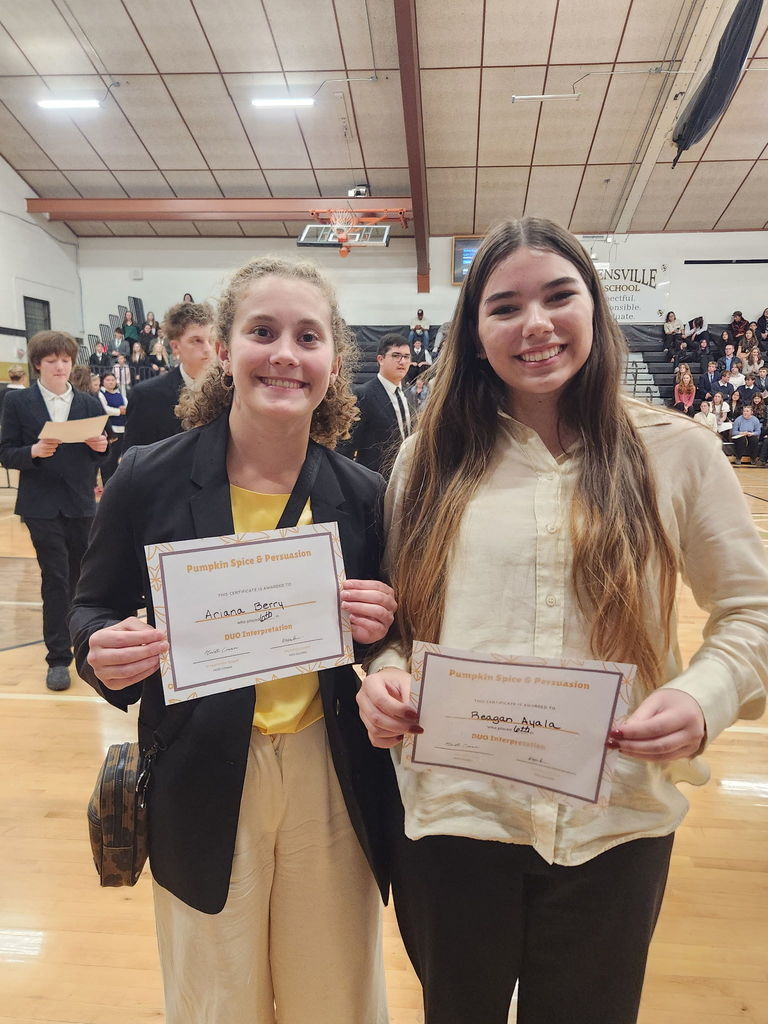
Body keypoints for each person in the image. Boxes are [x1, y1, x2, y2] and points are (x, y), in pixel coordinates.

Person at [355, 217, 768, 1024]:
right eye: (504, 307)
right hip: (455, 817)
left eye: (558, 296)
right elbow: (400, 624)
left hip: (613, 821)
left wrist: (702, 699)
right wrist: (387, 677)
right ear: (475, 336)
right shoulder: (425, 460)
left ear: (594, 309)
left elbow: (752, 612)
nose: (535, 324)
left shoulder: (678, 451)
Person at [70, 257, 399, 1024]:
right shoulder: (146, 478)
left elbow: (396, 646)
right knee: (217, 997)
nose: (285, 353)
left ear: (330, 361)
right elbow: (90, 610)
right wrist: (104, 649)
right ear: (222, 351)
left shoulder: (363, 496)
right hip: (201, 770)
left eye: (307, 336)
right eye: (262, 332)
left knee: (336, 996)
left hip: (332, 774)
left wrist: (383, 631)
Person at [0, 331, 107, 692]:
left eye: (65, 360)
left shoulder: (90, 404)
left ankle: (82, 644)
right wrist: (32, 452)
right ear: (37, 365)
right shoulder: (19, 403)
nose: (60, 366)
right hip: (40, 506)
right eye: (51, 361)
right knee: (56, 576)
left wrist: (101, 446)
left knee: (82, 578)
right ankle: (57, 657)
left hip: (80, 502)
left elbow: (99, 455)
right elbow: (6, 452)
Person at [122, 301, 214, 453]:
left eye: (211, 340)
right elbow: (133, 460)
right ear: (176, 346)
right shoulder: (145, 396)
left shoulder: (231, 391)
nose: (208, 349)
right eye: (197, 340)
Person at [337, 334, 413, 478]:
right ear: (380, 359)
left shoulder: (408, 395)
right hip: (374, 480)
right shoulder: (362, 394)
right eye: (396, 355)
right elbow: (346, 446)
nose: (402, 361)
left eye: (406, 356)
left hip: (405, 478)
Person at [97, 371, 127, 483]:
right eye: (108, 380)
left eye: (113, 380)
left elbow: (127, 406)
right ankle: (106, 484)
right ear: (102, 382)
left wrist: (125, 410)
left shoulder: (120, 394)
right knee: (108, 460)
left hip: (122, 429)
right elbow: (104, 410)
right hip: (110, 430)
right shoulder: (101, 394)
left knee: (118, 459)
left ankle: (115, 484)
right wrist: (119, 411)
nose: (111, 382)